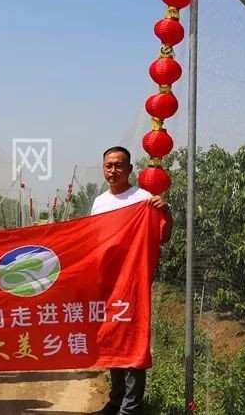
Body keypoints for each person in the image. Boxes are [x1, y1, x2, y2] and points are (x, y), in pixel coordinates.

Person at [91, 146, 172, 415]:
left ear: (130, 169)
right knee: (113, 338)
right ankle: (116, 401)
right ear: (103, 168)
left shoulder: (144, 199)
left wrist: (167, 213)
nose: (113, 170)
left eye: (118, 165)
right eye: (108, 165)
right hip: (108, 282)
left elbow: (163, 236)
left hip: (133, 282)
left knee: (133, 341)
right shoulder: (100, 202)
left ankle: (131, 407)